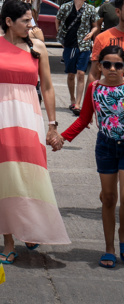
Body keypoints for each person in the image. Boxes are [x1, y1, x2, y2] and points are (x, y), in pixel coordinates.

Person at [0, 0, 70, 264]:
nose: (31, 25)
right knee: (4, 179)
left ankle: (32, 227)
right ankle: (9, 241)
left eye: (31, 20)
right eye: (25, 20)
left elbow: (47, 87)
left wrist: (53, 124)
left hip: (29, 116)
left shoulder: (39, 47)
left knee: (33, 174)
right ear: (9, 21)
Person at [61, 45, 124, 268]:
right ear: (100, 66)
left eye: (118, 64)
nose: (113, 69)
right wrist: (62, 138)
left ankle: (123, 235)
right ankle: (109, 248)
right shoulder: (94, 88)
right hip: (105, 147)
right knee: (108, 199)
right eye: (107, 64)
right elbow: (84, 119)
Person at [56, 0, 100, 115]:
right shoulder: (65, 7)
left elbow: (95, 26)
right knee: (71, 74)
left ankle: (78, 104)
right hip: (69, 45)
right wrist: (60, 37)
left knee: (81, 73)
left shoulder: (90, 9)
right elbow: (57, 20)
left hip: (84, 45)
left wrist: (91, 33)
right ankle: (72, 99)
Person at [89, 0, 124, 83]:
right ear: (118, 12)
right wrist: (88, 96)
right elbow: (94, 74)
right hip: (112, 94)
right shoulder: (103, 38)